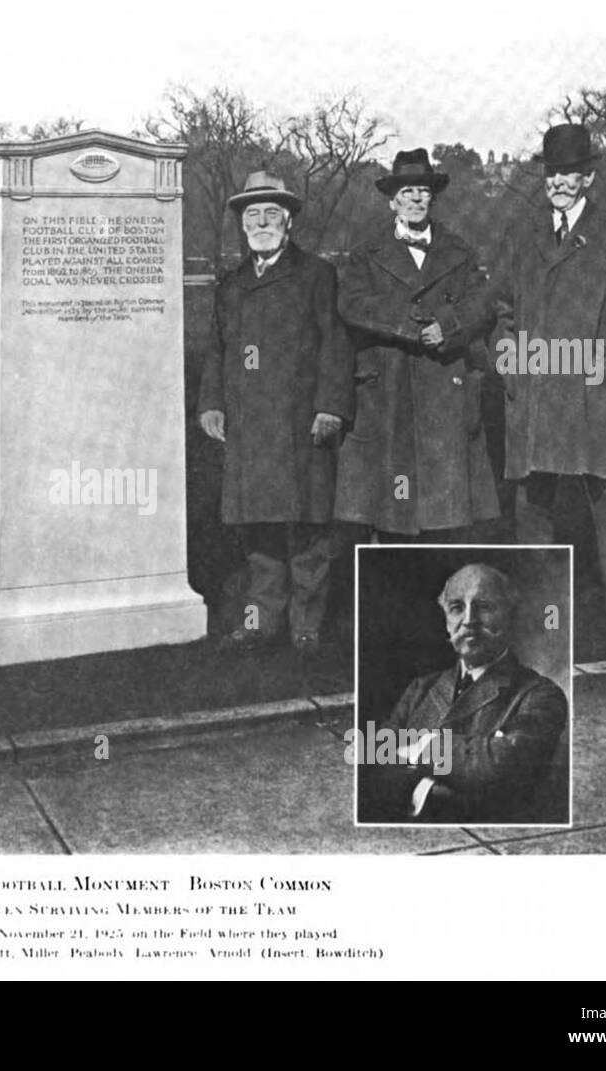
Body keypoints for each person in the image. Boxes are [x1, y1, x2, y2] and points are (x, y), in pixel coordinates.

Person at [490, 124, 606, 631]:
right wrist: (510, 360)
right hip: (538, 383)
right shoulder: (522, 235)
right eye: (552, 172)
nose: (559, 182)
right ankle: (539, 603)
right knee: (533, 500)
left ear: (588, 177)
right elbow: (499, 304)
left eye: (570, 173)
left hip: (591, 384)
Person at [196, 172, 354, 654]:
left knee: (308, 529)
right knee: (258, 529)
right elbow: (218, 350)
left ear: (288, 221)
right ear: (242, 226)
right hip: (248, 425)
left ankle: (306, 624)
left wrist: (330, 407)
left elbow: (336, 346)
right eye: (252, 216)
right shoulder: (232, 284)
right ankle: (261, 619)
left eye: (270, 214)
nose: (261, 223)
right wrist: (211, 403)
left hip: (300, 421)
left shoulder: (316, 275)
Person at [334, 149, 499, 541]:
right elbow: (352, 304)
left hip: (446, 387)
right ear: (393, 200)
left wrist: (449, 326)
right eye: (406, 191)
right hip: (388, 391)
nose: (415, 199)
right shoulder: (366, 254)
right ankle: (393, 591)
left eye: (422, 191)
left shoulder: (459, 251)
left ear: (433, 197)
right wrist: (409, 325)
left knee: (446, 513)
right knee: (392, 509)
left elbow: (483, 303)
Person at [357, 563, 568, 823]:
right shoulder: (421, 688)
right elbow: (373, 769)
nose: (469, 620)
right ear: (446, 622)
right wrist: (434, 787)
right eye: (457, 608)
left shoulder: (540, 695)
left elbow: (505, 772)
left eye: (485, 607)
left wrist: (423, 749)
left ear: (510, 616)